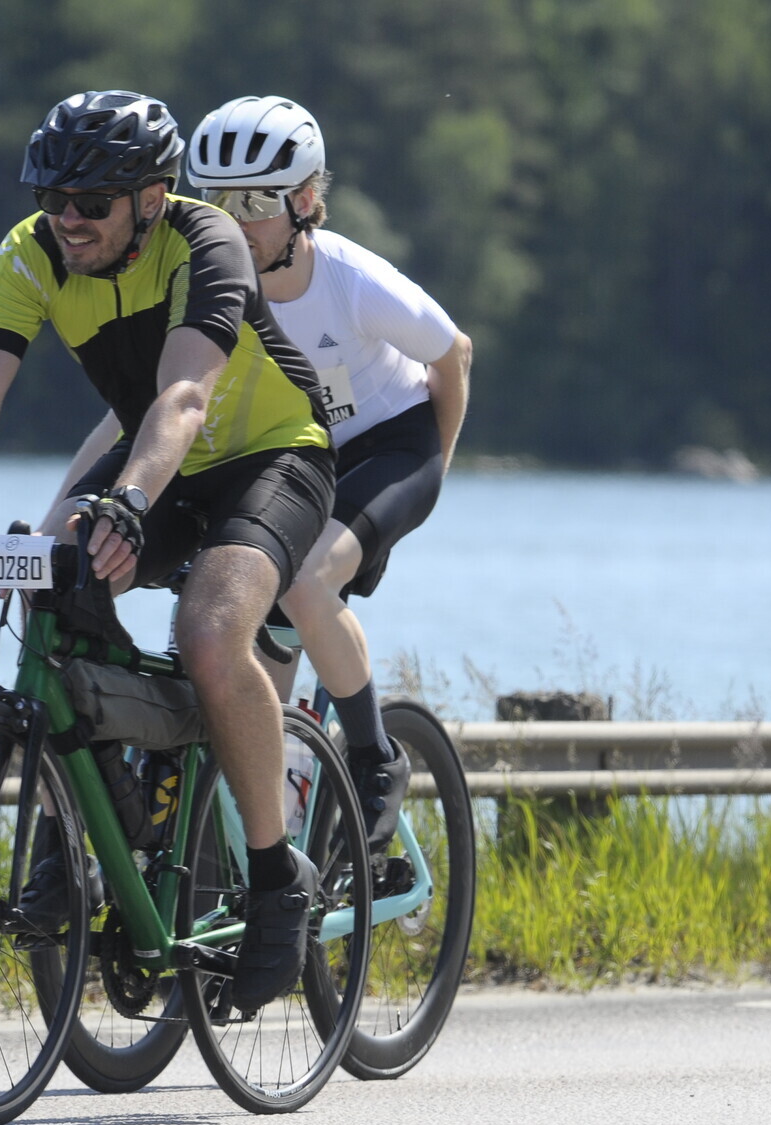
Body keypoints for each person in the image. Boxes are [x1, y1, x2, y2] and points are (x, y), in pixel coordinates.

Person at [0, 90, 334, 1011]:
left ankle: (276, 874)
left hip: (272, 456)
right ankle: (80, 830)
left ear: (152, 198)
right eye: (53, 198)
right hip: (161, 462)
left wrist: (127, 502)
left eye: (91, 202)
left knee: (211, 632)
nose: (68, 219)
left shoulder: (207, 241)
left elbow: (183, 398)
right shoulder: (29, 253)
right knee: (51, 573)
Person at [183, 96, 473, 852]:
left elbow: (454, 356)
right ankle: (267, 866)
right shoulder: (211, 285)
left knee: (306, 582)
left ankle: (376, 757)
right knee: (237, 645)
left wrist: (433, 473)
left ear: (305, 201)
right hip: (296, 461)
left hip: (392, 447)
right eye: (214, 202)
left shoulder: (349, 279)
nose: (234, 223)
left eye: (255, 204)